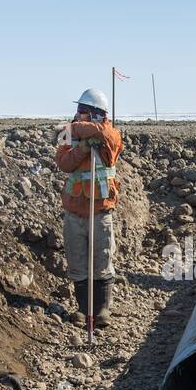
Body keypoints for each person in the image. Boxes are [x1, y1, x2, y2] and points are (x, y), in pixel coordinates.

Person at [55, 89, 124, 326]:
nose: (77, 115)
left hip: (100, 209)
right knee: (78, 260)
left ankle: (102, 310)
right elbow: (63, 163)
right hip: (75, 210)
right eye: (78, 111)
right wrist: (83, 148)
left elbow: (107, 136)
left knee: (103, 258)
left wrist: (86, 132)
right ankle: (84, 310)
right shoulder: (66, 132)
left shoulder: (111, 132)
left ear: (97, 114)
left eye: (83, 111)